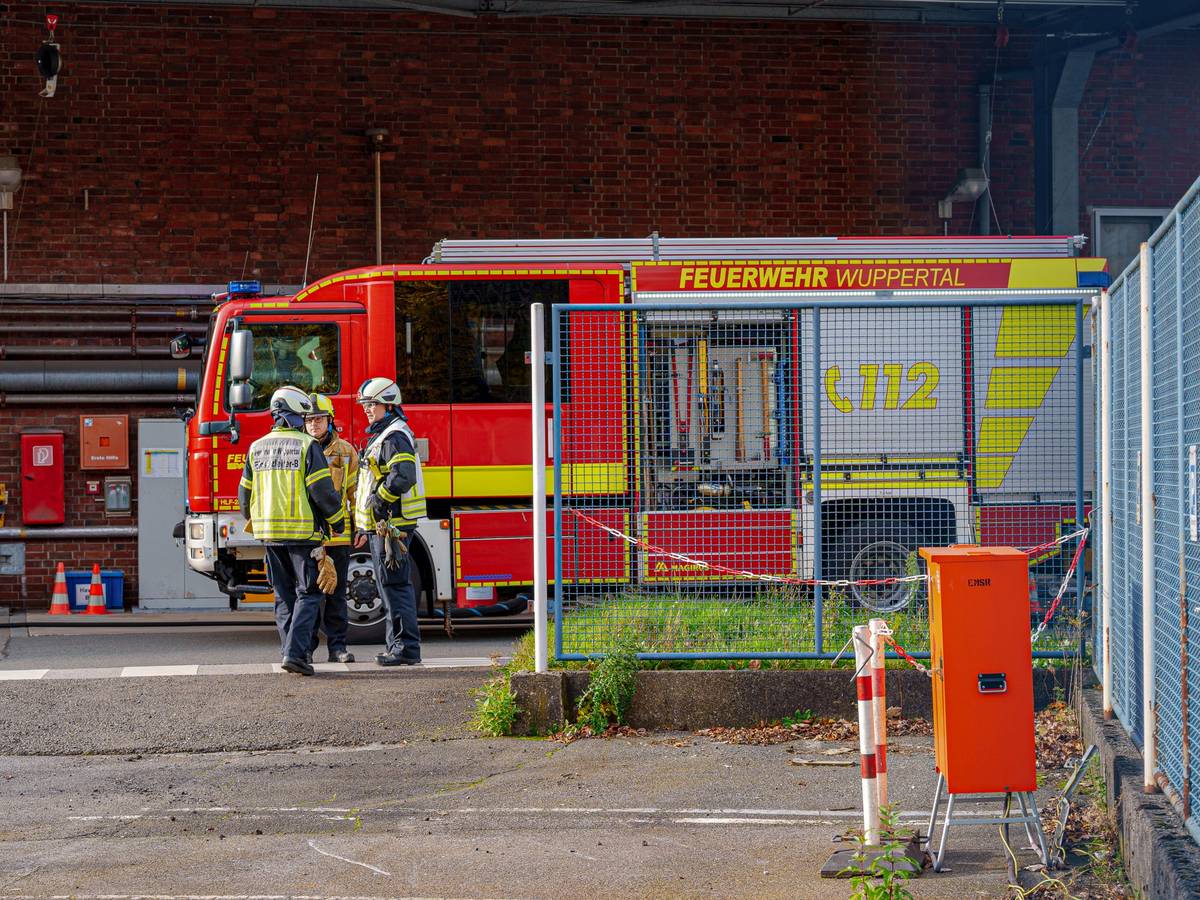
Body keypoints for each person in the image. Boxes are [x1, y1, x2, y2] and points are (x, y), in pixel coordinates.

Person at [238, 386, 346, 676]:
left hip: (269, 536)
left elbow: (244, 497)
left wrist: (258, 520)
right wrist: (337, 521)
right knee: (309, 593)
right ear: (296, 415)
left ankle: (288, 650)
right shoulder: (306, 445)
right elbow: (323, 492)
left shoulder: (256, 446)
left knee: (283, 597)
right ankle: (296, 655)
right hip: (302, 534)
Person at [354, 376, 427, 666]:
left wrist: (380, 499)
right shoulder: (385, 434)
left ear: (389, 404)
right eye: (365, 405)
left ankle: (405, 648)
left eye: (372, 404)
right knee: (390, 587)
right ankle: (396, 645)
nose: (367, 410)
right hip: (384, 525)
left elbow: (403, 477)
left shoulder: (394, 436)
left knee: (395, 587)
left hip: (392, 525)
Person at [304, 393, 359, 664]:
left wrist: (359, 526)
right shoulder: (301, 448)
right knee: (310, 595)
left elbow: (354, 493)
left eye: (318, 418)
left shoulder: (346, 452)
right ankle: (307, 648)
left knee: (337, 595)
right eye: (309, 419)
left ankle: (338, 648)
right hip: (309, 535)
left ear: (330, 420)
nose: (314, 424)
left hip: (338, 535)